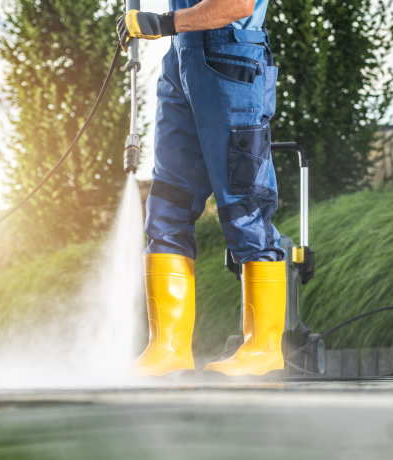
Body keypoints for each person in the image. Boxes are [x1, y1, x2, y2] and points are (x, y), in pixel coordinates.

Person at [116, 0, 286, 379]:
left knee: (245, 205)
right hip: (181, 59)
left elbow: (236, 3)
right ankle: (168, 349)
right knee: (167, 207)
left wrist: (162, 22)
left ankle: (264, 347)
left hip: (232, 56)